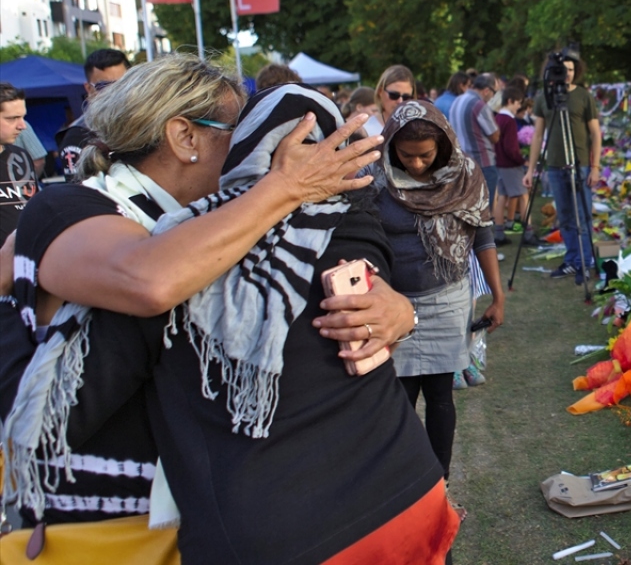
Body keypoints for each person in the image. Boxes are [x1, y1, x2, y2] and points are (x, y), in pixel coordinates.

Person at [3, 78, 452, 564]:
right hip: (106, 531)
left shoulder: (252, 233)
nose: (259, 142)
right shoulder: (77, 207)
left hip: (214, 521)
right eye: (237, 128)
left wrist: (397, 311)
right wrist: (284, 189)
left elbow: (357, 260)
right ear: (184, 138)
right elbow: (152, 282)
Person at [371, 99, 503, 502]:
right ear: (390, 144)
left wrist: (498, 296)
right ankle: (406, 478)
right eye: (405, 155)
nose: (414, 165)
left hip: (447, 298)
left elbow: (481, 235)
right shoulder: (375, 179)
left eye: (425, 155)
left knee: (440, 395)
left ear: (442, 145)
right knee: (402, 396)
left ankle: (438, 481)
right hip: (396, 305)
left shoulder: (464, 176)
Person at [522, 51, 602, 284]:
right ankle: (572, 260)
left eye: (571, 69)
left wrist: (595, 166)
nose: (567, 74)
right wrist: (530, 169)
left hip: (580, 165)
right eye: (562, 70)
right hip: (555, 166)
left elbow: (596, 133)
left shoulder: (583, 96)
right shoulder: (544, 97)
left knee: (583, 217)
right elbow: (537, 135)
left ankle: (585, 262)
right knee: (565, 216)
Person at [56, 47, 130, 175]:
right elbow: (79, 191)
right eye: (104, 87)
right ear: (89, 89)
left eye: (123, 84)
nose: (115, 92)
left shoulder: (147, 123)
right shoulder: (78, 135)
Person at [448, 73, 502, 241]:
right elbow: (494, 136)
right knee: (485, 211)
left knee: (467, 210)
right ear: (486, 90)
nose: (493, 97)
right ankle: (486, 249)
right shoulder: (479, 105)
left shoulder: (457, 100)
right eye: (494, 92)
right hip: (483, 163)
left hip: (462, 162)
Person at [0, 83, 40, 243]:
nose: (22, 126)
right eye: (12, 118)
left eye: (23, 117)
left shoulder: (21, 157)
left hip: (27, 259)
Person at [493, 86, 528, 237]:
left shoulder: (497, 118)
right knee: (523, 195)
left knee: (502, 196)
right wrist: (521, 160)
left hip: (499, 163)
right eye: (518, 103)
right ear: (510, 101)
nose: (519, 106)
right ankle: (529, 231)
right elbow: (510, 147)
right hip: (510, 164)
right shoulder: (509, 121)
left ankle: (499, 231)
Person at [375, 65, 418, 135]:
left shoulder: (418, 129)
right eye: (394, 95)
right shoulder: (365, 130)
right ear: (380, 92)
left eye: (406, 97)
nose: (400, 101)